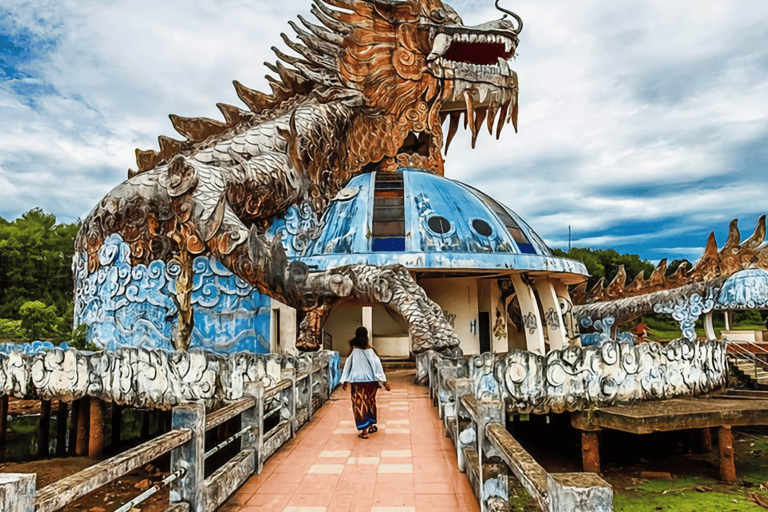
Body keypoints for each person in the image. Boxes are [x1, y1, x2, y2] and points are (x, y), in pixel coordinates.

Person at [340, 326, 390, 438]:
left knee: (359, 404)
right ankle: (371, 425)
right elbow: (378, 367)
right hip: (371, 382)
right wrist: (384, 381)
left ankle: (364, 431)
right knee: (370, 402)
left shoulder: (353, 350)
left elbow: (348, 365)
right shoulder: (371, 350)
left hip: (357, 382)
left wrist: (344, 381)